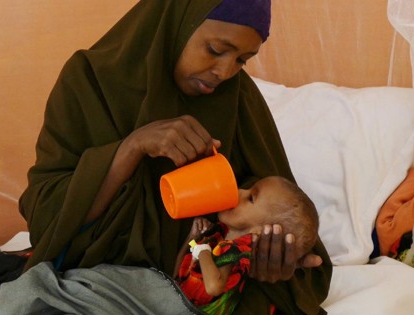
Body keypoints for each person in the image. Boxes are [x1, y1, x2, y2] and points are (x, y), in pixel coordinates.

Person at [18, 0, 332, 313]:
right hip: (102, 269)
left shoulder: (238, 96)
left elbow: (278, 204)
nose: (224, 72)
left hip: (199, 277)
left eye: (242, 60)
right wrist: (132, 147)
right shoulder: (90, 80)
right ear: (177, 24)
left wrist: (272, 255)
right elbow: (47, 215)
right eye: (215, 49)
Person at [174, 176, 320, 315]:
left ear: (263, 232)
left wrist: (203, 251)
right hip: (173, 295)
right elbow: (178, 275)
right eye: (248, 189)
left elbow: (213, 286)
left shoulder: (234, 251)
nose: (239, 191)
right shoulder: (220, 233)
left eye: (251, 198)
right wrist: (192, 237)